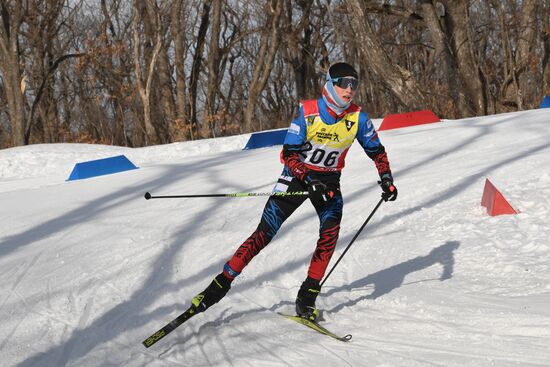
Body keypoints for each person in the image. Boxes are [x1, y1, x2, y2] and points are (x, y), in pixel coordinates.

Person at [190, 62, 397, 321]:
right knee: (264, 233)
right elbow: (289, 154)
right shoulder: (309, 111)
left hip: (329, 182)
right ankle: (217, 287)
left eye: (354, 83)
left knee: (330, 234)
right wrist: (308, 178)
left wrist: (386, 178)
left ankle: (306, 297)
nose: (350, 89)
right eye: (344, 82)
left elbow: (377, 151)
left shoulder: (358, 118)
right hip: (297, 178)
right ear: (331, 84)